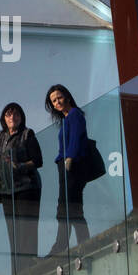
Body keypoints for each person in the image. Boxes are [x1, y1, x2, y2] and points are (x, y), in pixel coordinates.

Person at [0, 102, 43, 261]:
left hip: (27, 187)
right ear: (4, 119)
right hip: (6, 189)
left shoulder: (27, 134)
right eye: (8, 114)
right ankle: (17, 274)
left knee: (26, 230)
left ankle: (29, 268)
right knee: (13, 234)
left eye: (16, 114)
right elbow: (1, 160)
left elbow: (37, 161)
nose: (12, 117)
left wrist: (20, 166)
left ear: (21, 118)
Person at [45, 83, 90, 255]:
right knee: (68, 207)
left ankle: (62, 246)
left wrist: (70, 157)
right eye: (54, 101)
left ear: (67, 97)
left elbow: (77, 138)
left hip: (72, 165)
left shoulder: (74, 114)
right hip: (64, 165)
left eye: (59, 98)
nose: (57, 102)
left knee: (68, 207)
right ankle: (74, 243)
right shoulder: (65, 119)